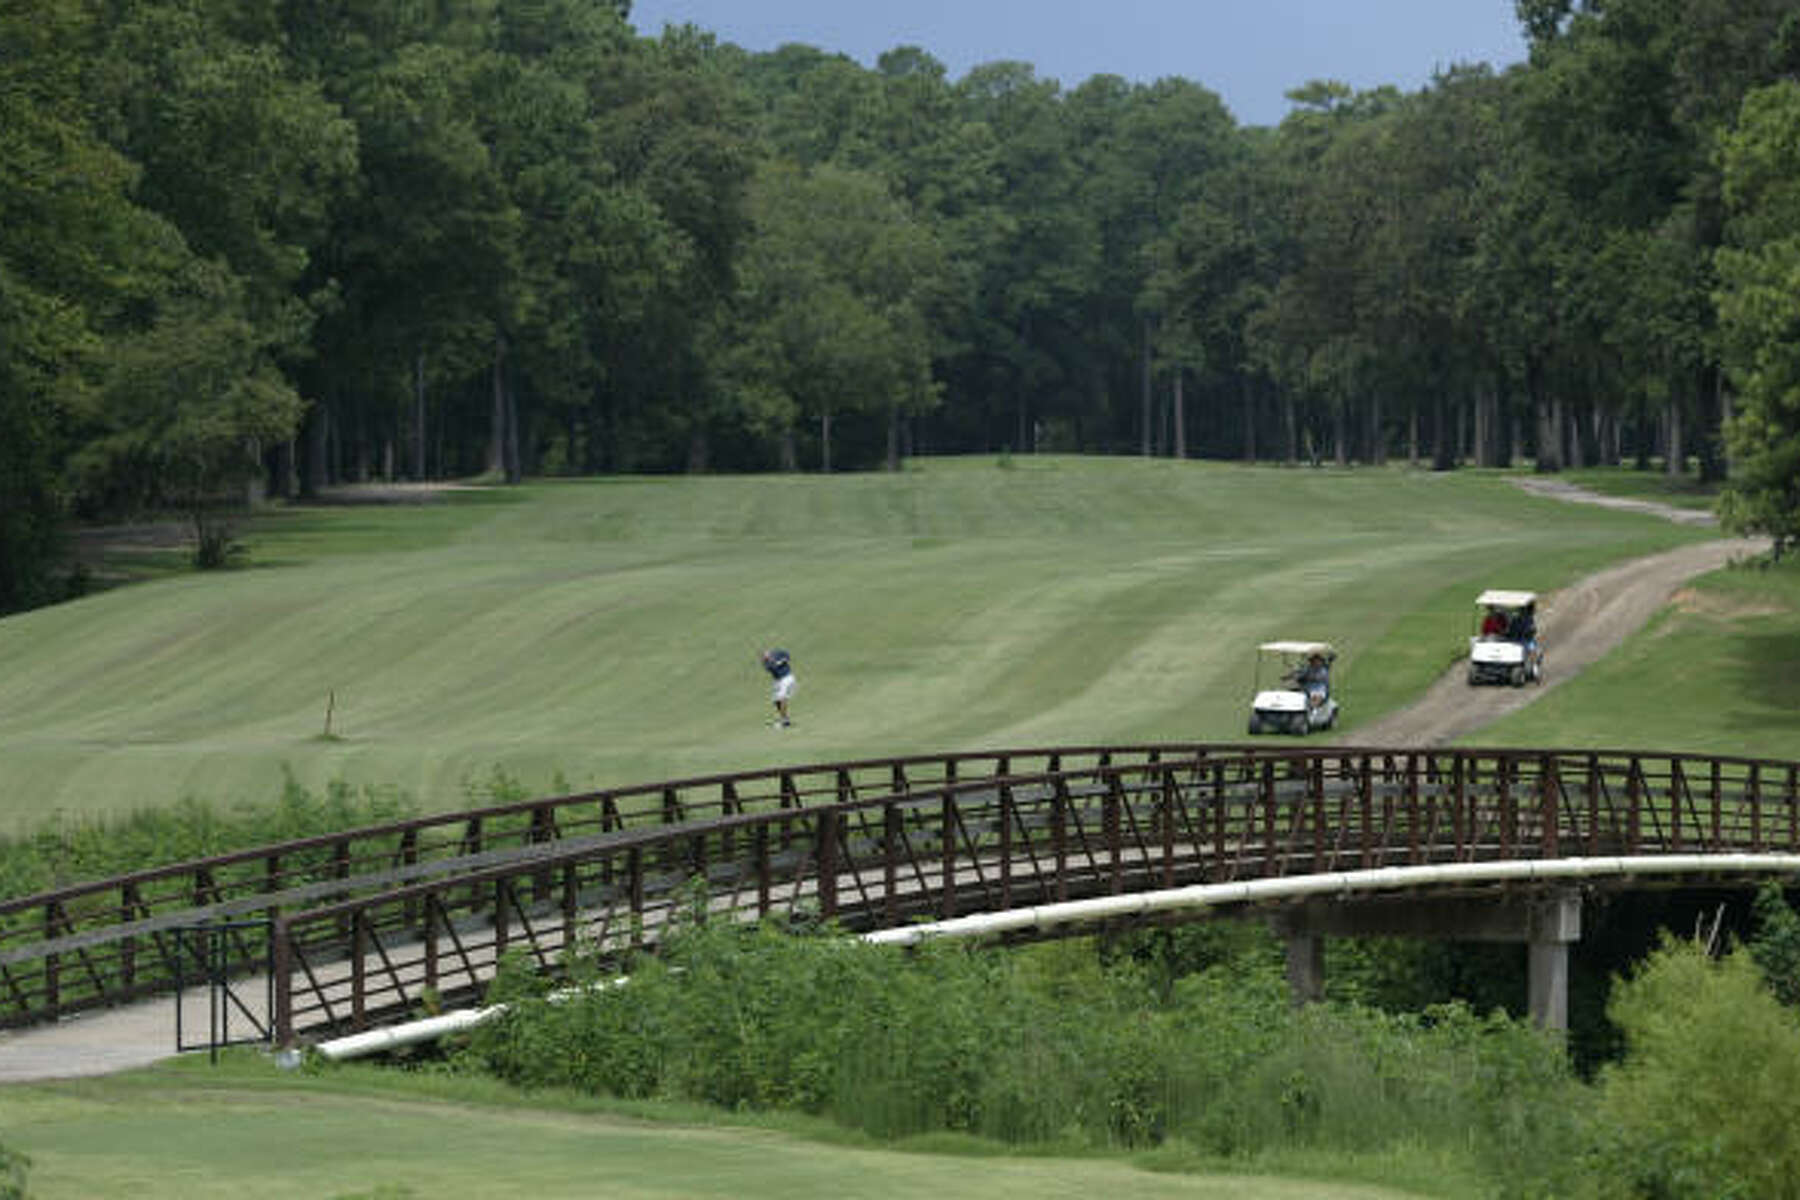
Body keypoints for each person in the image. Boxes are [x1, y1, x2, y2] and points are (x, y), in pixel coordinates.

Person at [760, 648, 796, 727]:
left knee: (781, 698)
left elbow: (787, 656)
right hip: (778, 681)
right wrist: (776, 663)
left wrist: (781, 661)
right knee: (776, 701)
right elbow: (773, 668)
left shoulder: (778, 653)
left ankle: (784, 721)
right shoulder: (767, 664)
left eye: (767, 655)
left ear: (770, 653)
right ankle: (785, 718)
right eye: (764, 658)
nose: (766, 658)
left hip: (786, 678)